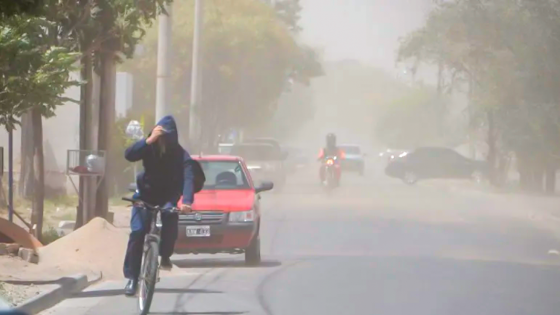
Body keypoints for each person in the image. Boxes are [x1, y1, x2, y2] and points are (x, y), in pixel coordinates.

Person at [122, 115, 195, 296]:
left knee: (170, 217)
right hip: (145, 195)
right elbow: (129, 155)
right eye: (159, 136)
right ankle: (132, 278)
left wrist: (186, 201)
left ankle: (165, 255)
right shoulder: (149, 147)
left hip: (167, 197)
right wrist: (148, 141)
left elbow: (189, 177)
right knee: (138, 232)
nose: (162, 141)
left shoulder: (181, 154)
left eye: (166, 137)